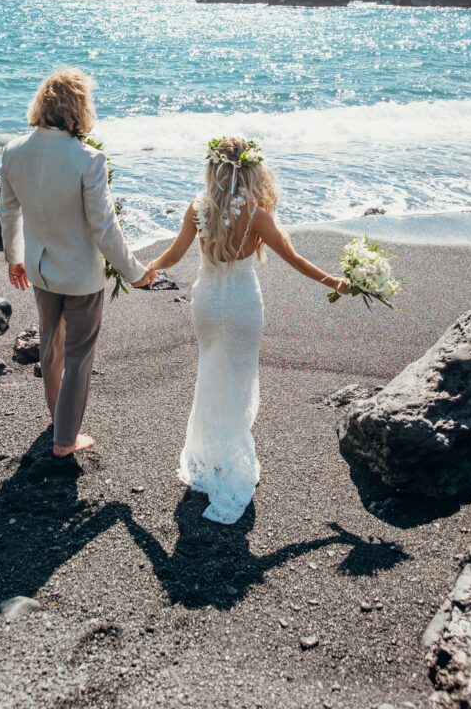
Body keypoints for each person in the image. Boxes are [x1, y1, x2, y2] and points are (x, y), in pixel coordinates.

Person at [146, 136, 350, 524]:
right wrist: (334, 282)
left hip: (206, 302)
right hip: (241, 303)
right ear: (250, 171)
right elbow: (292, 258)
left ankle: (212, 459)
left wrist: (143, 270)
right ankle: (230, 462)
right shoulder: (256, 214)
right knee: (238, 381)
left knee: (209, 375)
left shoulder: (196, 209)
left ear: (213, 169)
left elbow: (173, 255)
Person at [0, 67, 156, 459]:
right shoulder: (89, 159)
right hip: (81, 277)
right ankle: (66, 440)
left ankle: (59, 419)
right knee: (79, 356)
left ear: (42, 105)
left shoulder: (14, 150)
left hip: (38, 269)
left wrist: (13, 257)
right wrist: (134, 273)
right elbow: (104, 228)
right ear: (79, 108)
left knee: (50, 348)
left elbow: (8, 211)